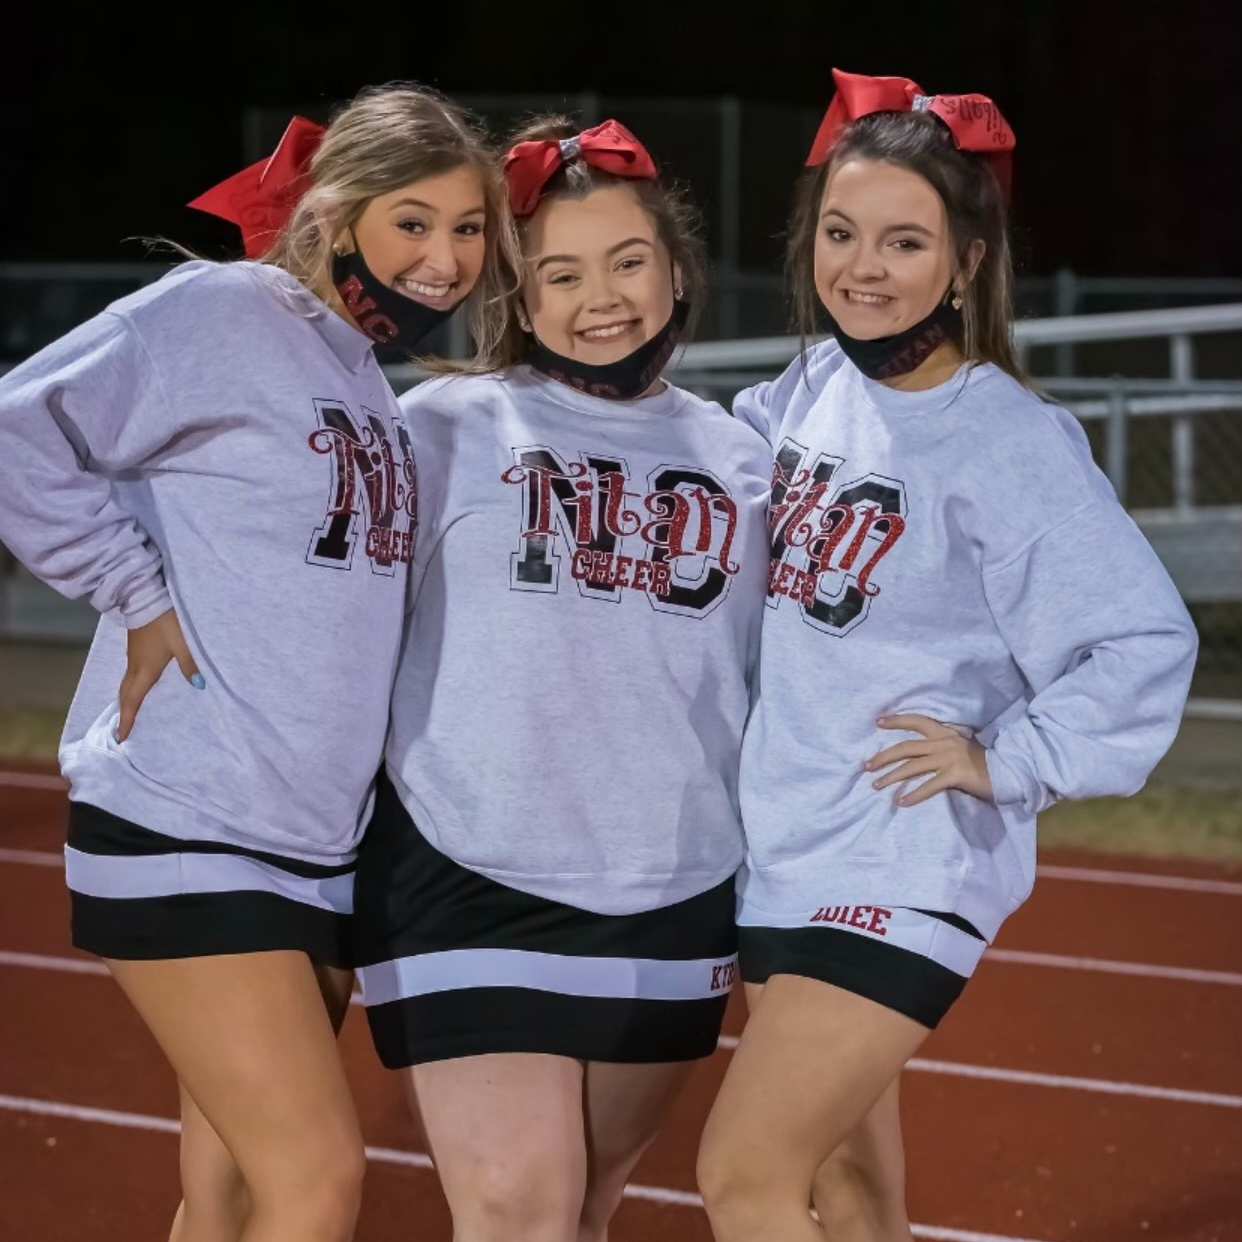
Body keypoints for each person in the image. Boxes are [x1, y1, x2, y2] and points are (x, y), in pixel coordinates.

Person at [0, 83, 514, 1242]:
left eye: (469, 228)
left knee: (228, 1192)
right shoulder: (231, 311)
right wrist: (131, 593)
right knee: (317, 1182)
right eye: (414, 222)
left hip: (310, 844)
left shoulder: (367, 380)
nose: (445, 258)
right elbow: (15, 428)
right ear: (337, 217)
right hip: (193, 812)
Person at [695, 69, 1198, 1242]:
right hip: (785, 837)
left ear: (968, 262)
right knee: (855, 1186)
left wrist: (1005, 760)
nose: (862, 267)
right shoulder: (815, 386)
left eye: (905, 241)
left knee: (744, 1174)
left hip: (900, 855)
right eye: (841, 233)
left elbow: (1141, 638)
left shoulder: (1007, 437)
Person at [351, 117, 771, 1242]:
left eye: (629, 261)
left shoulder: (743, 460)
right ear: (516, 297)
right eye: (561, 273)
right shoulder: (434, 429)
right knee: (518, 1212)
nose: (604, 299)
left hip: (672, 884)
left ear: (678, 270)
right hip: (463, 868)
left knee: (584, 1206)